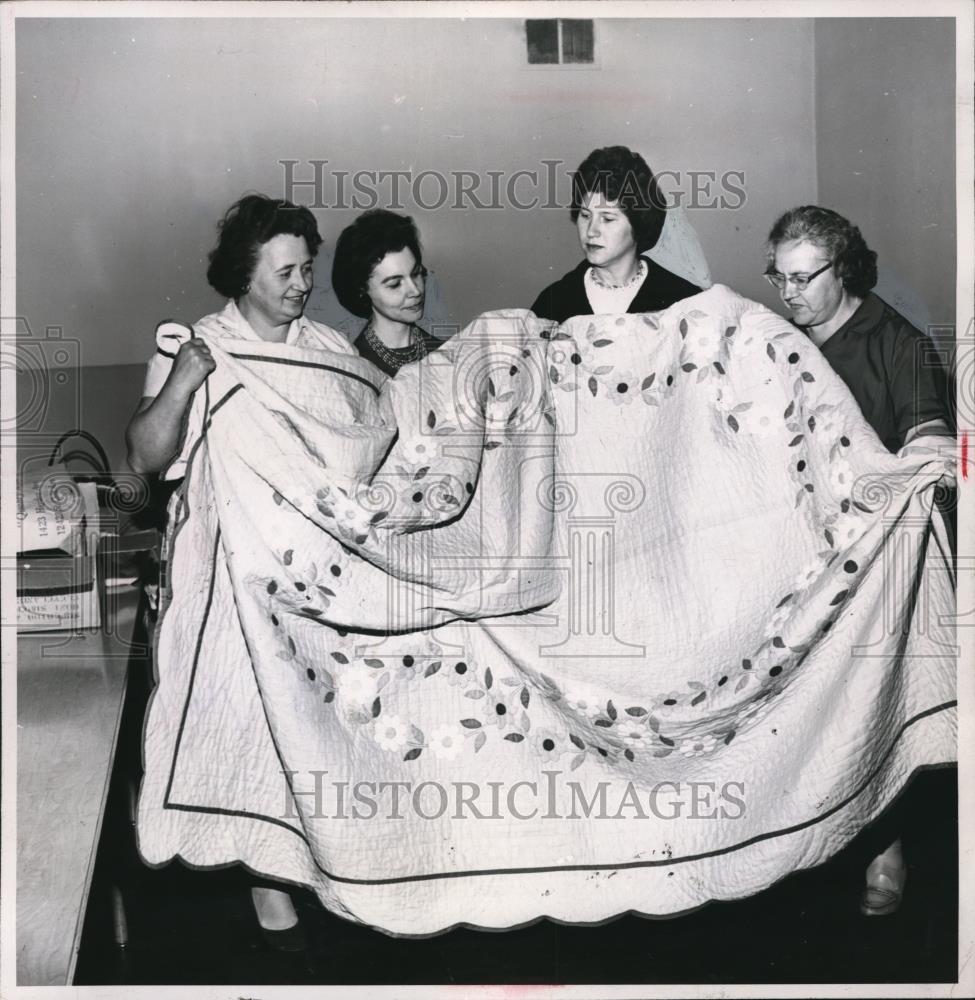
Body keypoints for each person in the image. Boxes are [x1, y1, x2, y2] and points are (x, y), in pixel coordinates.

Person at [127, 193, 355, 951]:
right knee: (256, 726)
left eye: (307, 269)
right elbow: (145, 458)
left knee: (322, 721)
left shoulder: (325, 347)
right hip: (231, 577)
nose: (301, 284)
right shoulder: (194, 344)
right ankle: (268, 880)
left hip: (317, 577)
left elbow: (362, 445)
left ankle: (322, 866)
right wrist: (185, 381)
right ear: (243, 275)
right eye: (286, 271)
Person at [765, 204, 954, 918]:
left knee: (871, 710)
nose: (788, 294)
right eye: (778, 279)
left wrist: (921, 457)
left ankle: (885, 845)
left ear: (840, 269)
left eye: (802, 279)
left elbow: (928, 434)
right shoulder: (780, 343)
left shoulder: (894, 342)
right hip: (797, 555)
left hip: (872, 561)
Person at [530, 145, 701, 322]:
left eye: (608, 219)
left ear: (638, 223)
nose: (591, 231)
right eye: (585, 215)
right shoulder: (552, 302)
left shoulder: (683, 300)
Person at [330, 208, 443, 377]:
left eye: (416, 273)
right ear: (362, 289)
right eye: (395, 284)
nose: (415, 290)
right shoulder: (355, 367)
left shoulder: (447, 354)